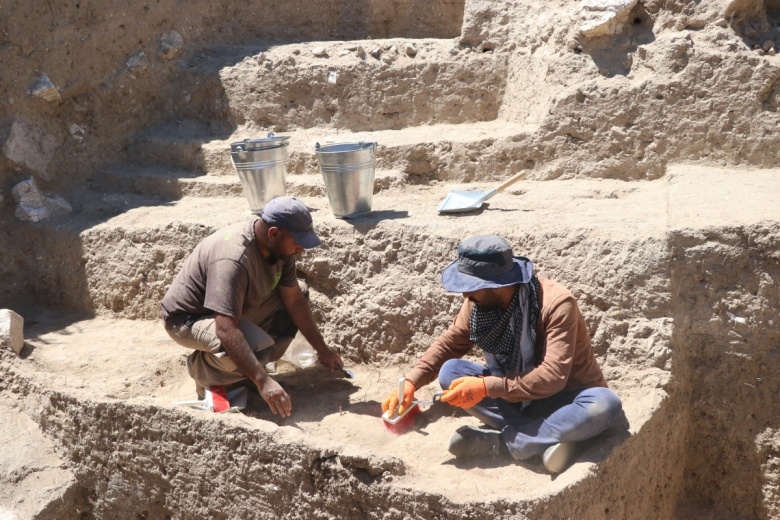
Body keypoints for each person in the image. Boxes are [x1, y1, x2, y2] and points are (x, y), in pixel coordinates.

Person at [381, 234, 623, 474]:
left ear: (499, 285)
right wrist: (412, 380)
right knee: (451, 372)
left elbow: (553, 377)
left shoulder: (557, 305)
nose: (466, 296)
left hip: (566, 399)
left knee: (605, 404)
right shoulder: (477, 304)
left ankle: (504, 443)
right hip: (516, 397)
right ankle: (550, 438)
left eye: (471, 288)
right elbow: (451, 342)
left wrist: (487, 387)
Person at [161, 196, 343, 418]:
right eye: (297, 242)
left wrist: (322, 350)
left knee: (299, 293)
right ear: (274, 234)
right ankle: (203, 369)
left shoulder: (280, 250)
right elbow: (226, 329)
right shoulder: (233, 259)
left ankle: (244, 373)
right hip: (188, 318)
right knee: (256, 345)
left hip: (229, 311)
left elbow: (294, 300)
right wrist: (263, 381)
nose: (301, 249)